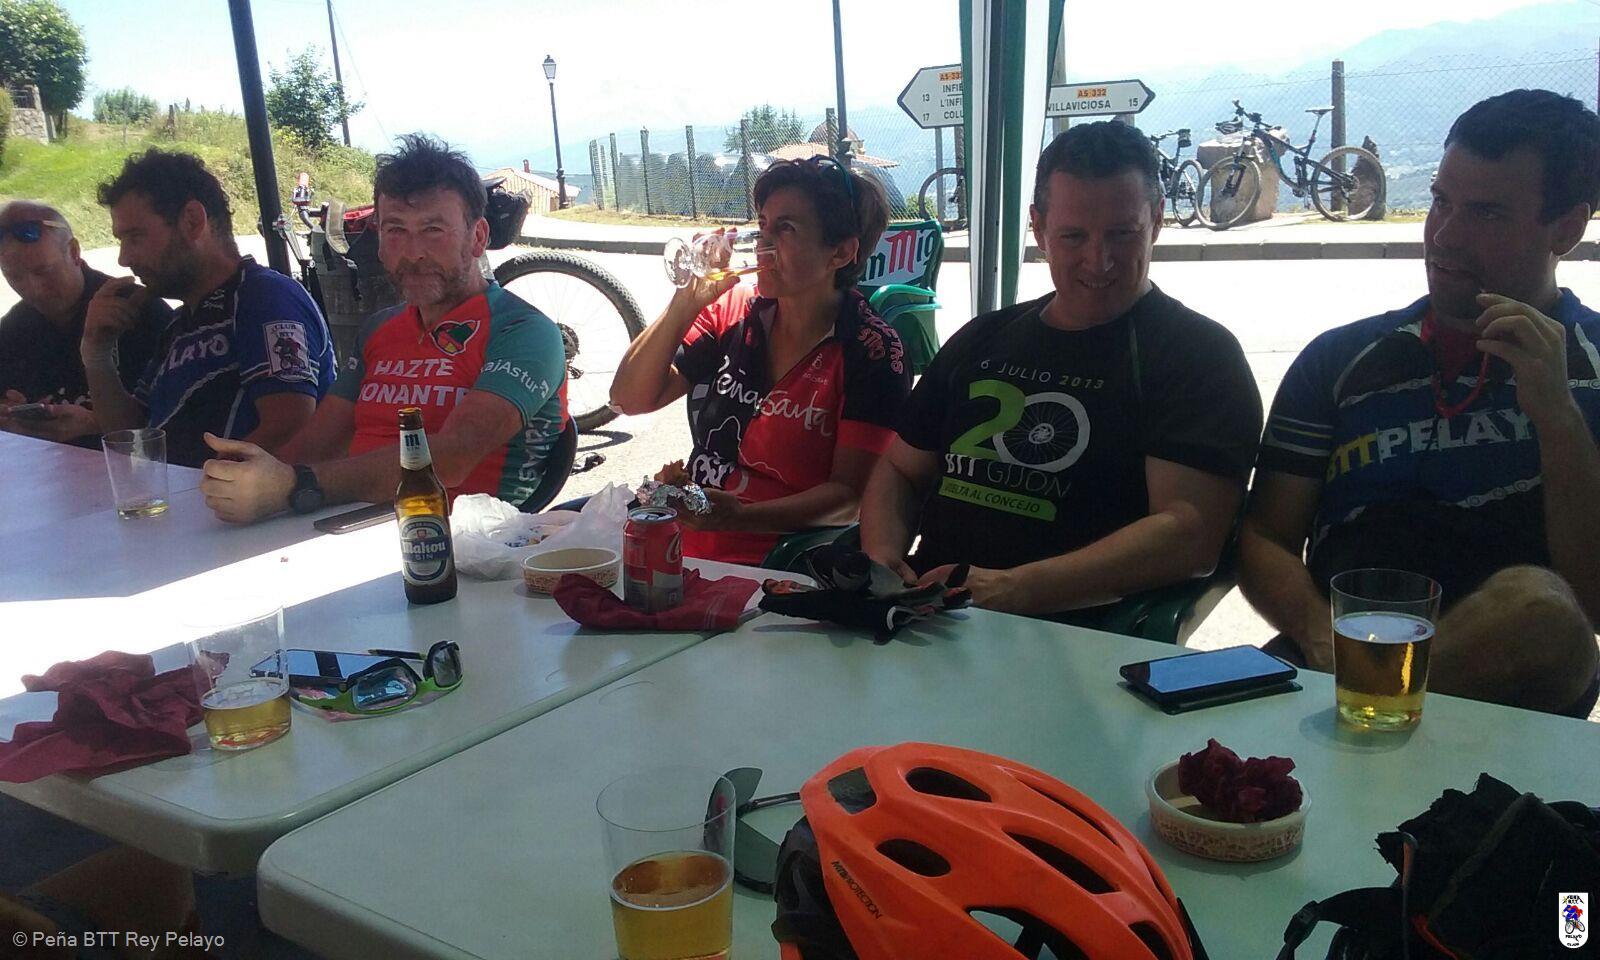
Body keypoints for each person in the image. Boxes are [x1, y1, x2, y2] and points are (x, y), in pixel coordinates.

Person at [1239, 89, 1600, 717]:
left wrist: (1557, 414)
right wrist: (1321, 636)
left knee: (1541, 609)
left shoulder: (1591, 365)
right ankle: (1369, 706)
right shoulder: (1340, 359)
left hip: (1507, 709)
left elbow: (1590, 604)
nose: (1445, 236)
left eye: (1486, 214)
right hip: (1328, 668)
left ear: (1566, 229)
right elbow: (1265, 536)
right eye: (1440, 202)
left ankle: (1370, 708)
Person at [860, 121, 1261, 620]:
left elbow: (1190, 533)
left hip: (1077, 633)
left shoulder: (1197, 355)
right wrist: (882, 559)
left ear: (1156, 220)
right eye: (1073, 237)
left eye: (1122, 234)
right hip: (926, 615)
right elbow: (900, 469)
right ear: (1038, 228)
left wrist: (1016, 588)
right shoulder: (984, 337)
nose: (1099, 260)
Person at [197, 134, 567, 524]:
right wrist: (249, 473)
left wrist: (297, 484)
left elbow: (452, 457)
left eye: (433, 230)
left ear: (477, 238)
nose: (413, 253)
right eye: (395, 230)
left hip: (466, 542)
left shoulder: (524, 331)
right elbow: (317, 442)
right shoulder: (380, 329)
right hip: (347, 526)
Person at [610, 155, 907, 566]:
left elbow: (850, 498)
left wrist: (740, 518)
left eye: (785, 228)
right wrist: (684, 304)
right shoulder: (734, 310)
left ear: (840, 253)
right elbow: (628, 399)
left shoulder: (872, 350)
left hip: (780, 560)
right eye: (763, 225)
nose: (762, 244)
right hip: (682, 539)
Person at [79, 149, 334, 467]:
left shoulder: (266, 297)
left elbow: (289, 426)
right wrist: (96, 355)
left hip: (231, 497)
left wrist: (195, 488)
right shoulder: (178, 325)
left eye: (135, 237)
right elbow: (133, 439)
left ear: (192, 221)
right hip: (187, 493)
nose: (124, 258)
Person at [0, 202, 170, 445]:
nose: (33, 289)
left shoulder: (136, 311)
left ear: (74, 252)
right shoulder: (12, 331)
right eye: (14, 277)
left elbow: (178, 422)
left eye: (43, 271)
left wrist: (94, 423)